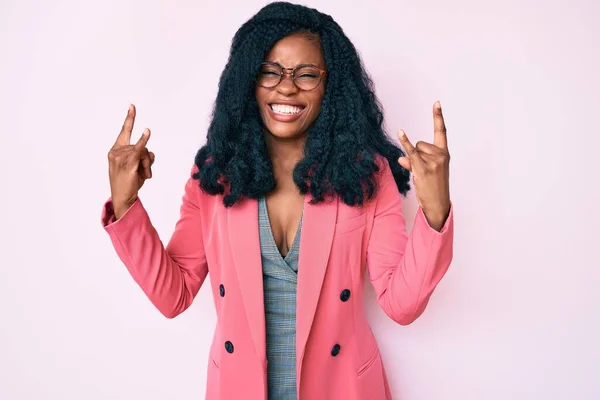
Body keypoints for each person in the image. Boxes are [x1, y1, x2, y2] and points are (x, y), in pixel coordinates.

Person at [101, 2, 454, 399]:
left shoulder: (365, 174)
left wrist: (434, 211)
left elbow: (401, 305)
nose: (287, 87)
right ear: (248, 80)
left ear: (330, 86)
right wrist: (126, 204)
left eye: (306, 74)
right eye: (270, 71)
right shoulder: (216, 175)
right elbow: (174, 294)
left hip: (343, 389)